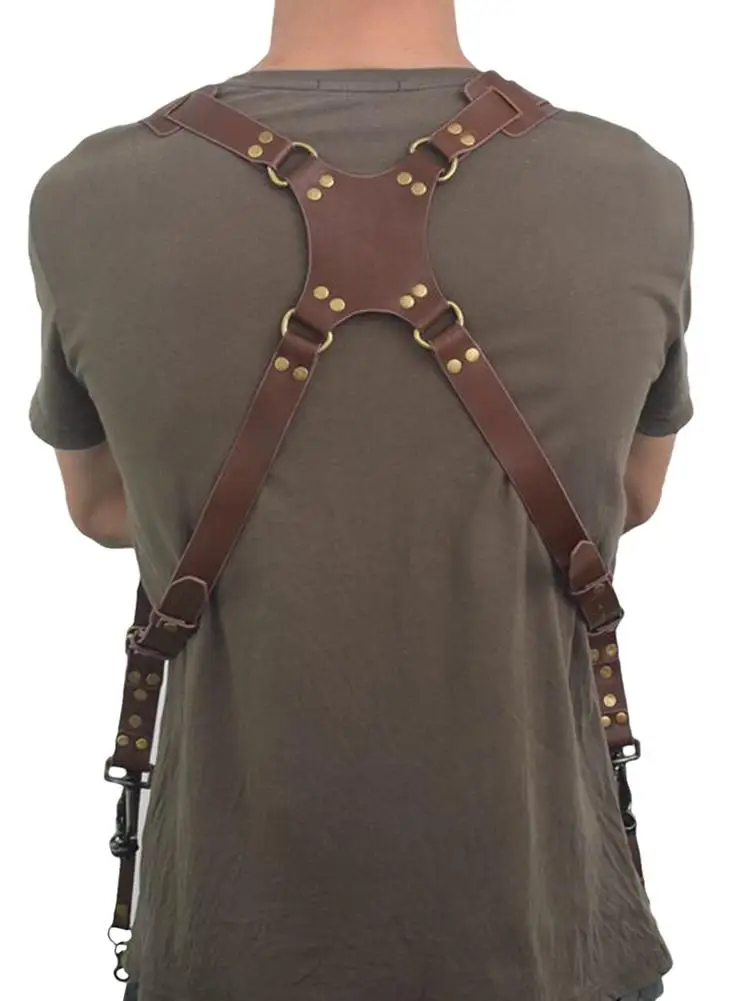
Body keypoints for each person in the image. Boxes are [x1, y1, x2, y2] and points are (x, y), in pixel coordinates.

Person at [26, 1, 692, 1000]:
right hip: (547, 938)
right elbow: (628, 491)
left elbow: (104, 507)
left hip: (229, 940)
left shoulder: (88, 195)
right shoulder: (636, 186)